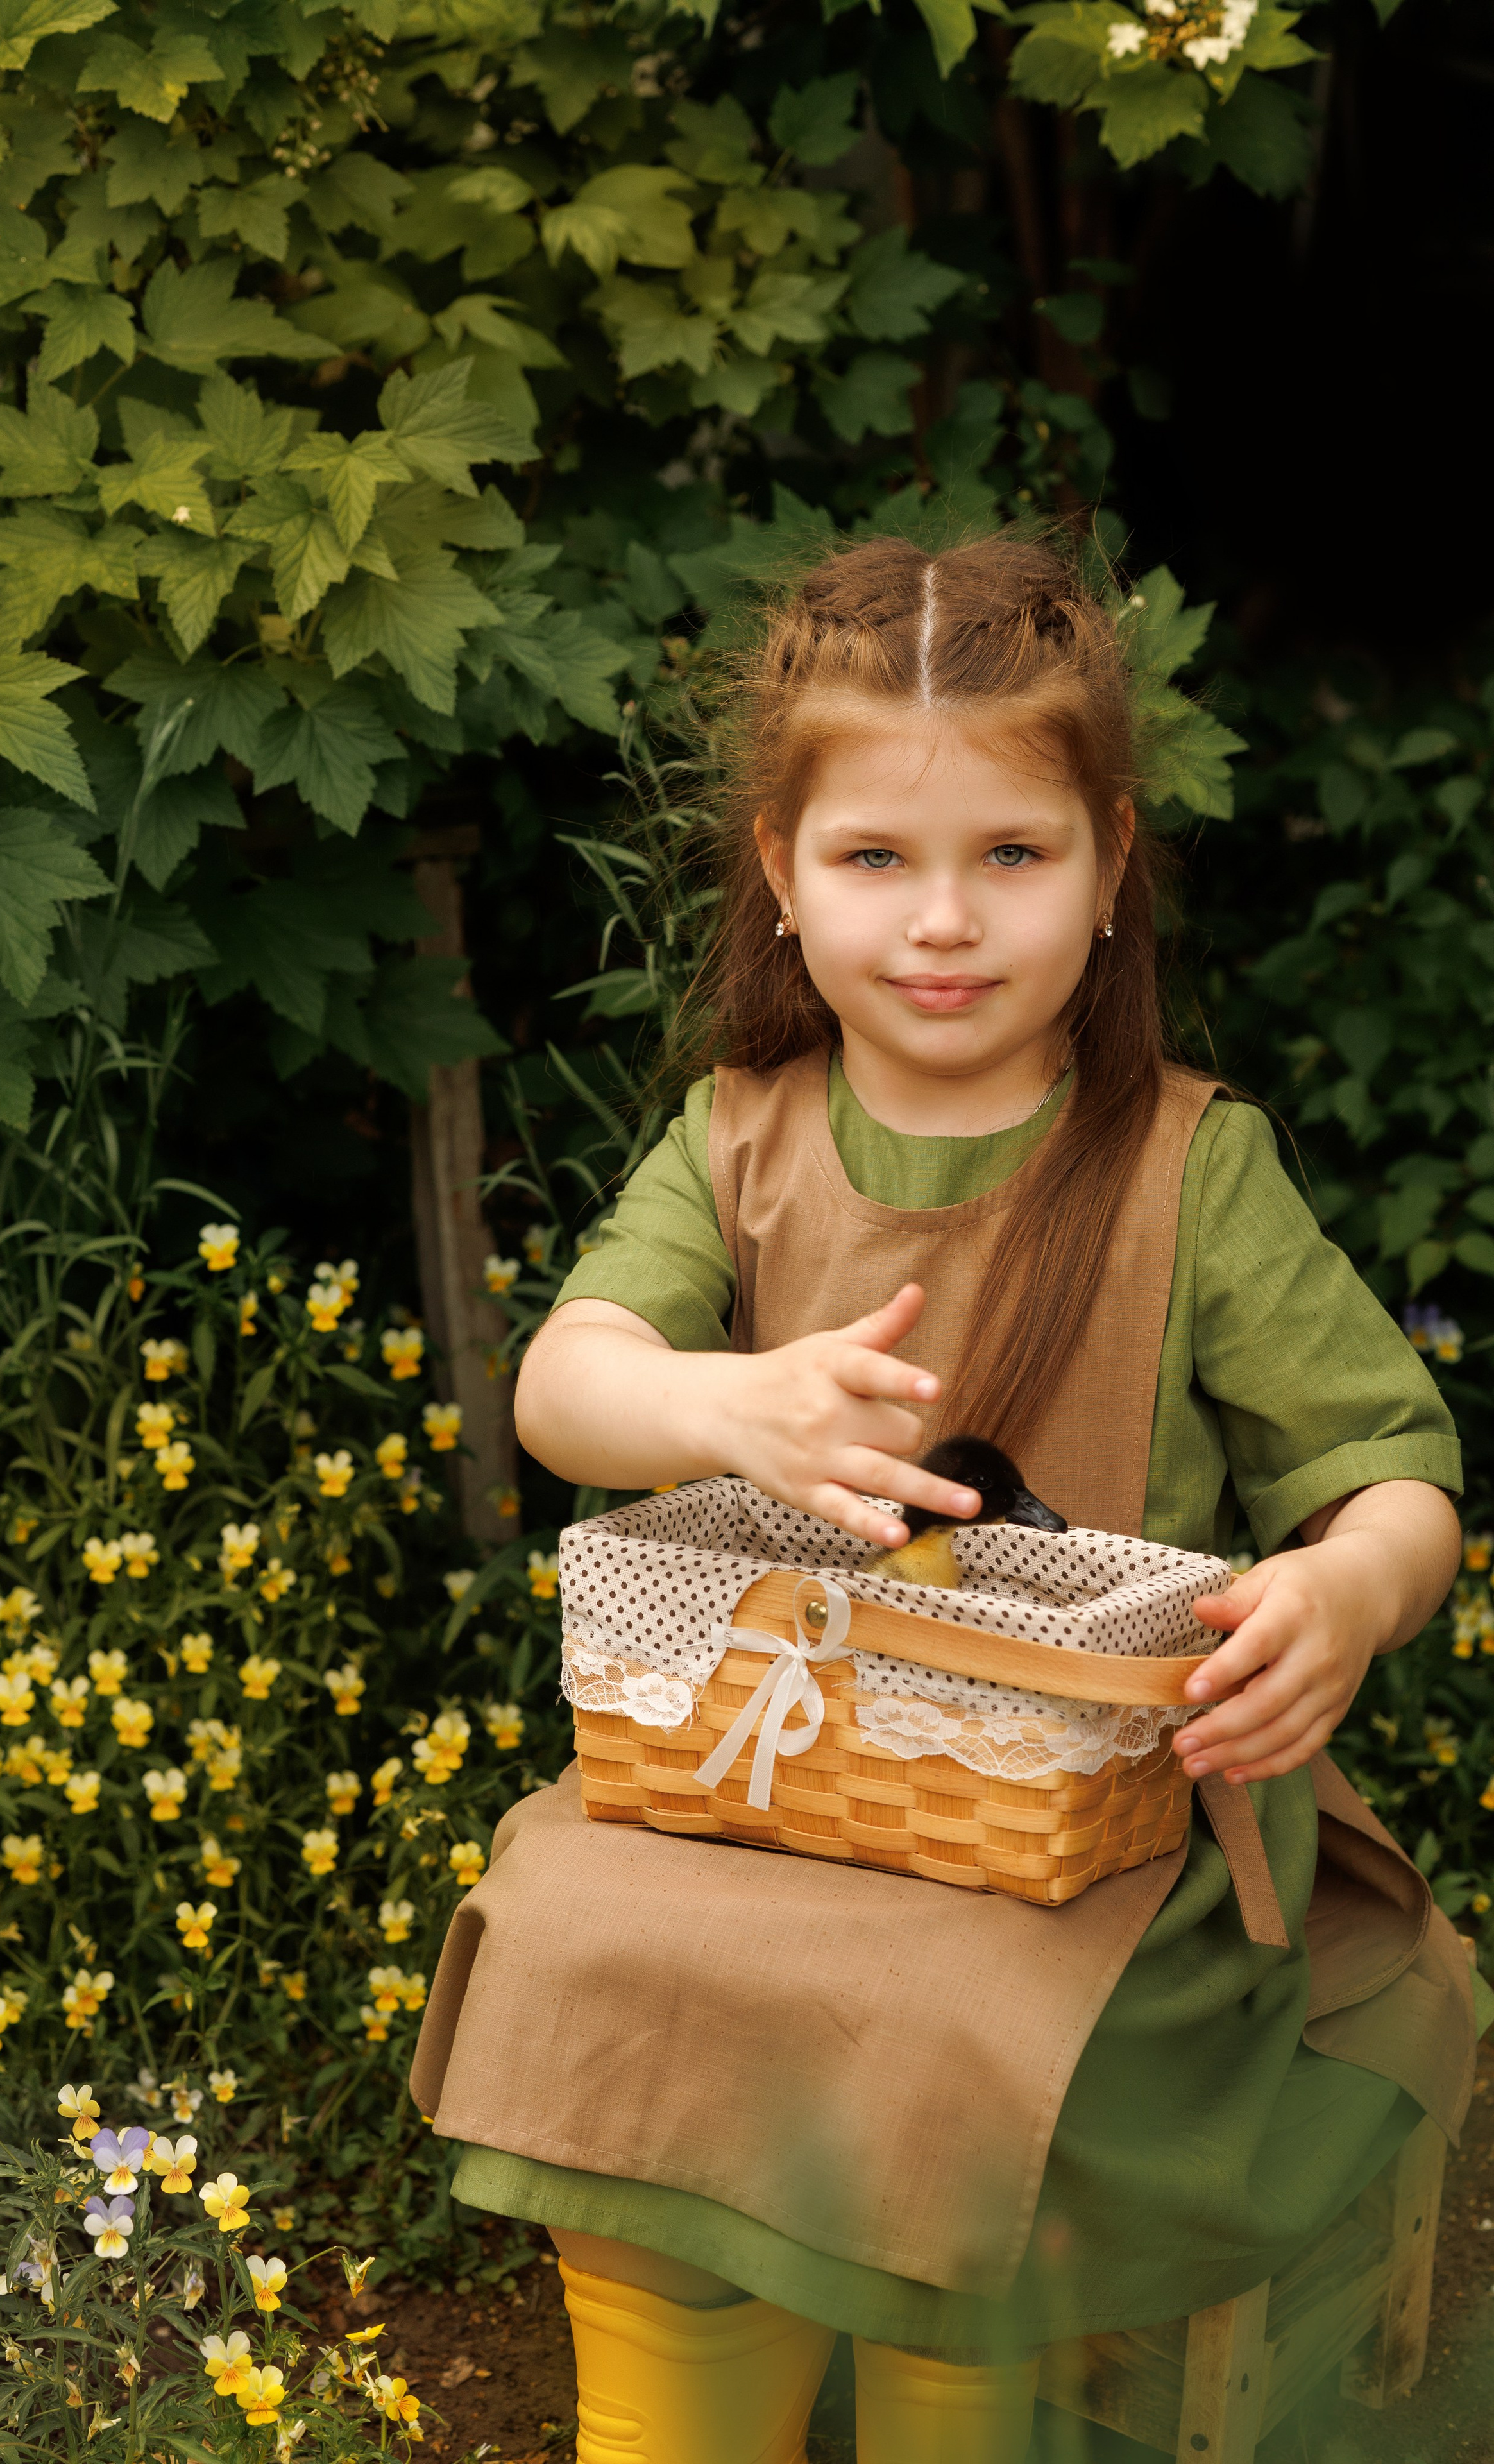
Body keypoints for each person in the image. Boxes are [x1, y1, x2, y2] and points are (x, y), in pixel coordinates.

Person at [412, 531, 1484, 2464]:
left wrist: (1349, 1594)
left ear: (1109, 863)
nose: (943, 921)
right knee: (567, 1914)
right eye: (874, 858)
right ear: (781, 872)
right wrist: (719, 1402)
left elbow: (1392, 1472)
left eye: (1011, 852)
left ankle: (950, 2402)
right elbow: (568, 1387)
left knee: (965, 2024)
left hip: (1092, 1840)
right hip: (780, 1782)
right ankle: (677, 2414)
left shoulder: (1187, 1172)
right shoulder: (743, 1140)